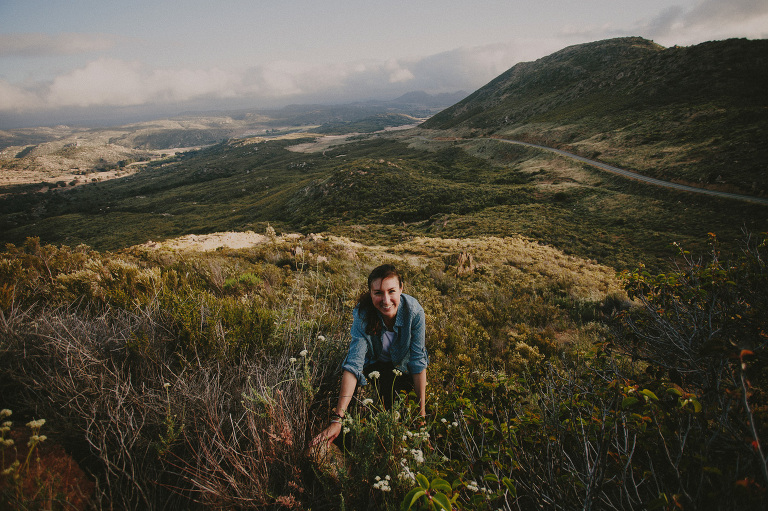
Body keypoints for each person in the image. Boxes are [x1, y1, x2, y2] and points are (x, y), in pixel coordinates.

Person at [312, 264, 428, 446]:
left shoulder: (414, 312)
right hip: (373, 365)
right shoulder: (363, 313)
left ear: (401, 289)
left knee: (398, 417)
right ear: (371, 293)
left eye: (391, 291)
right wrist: (337, 419)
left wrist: (421, 420)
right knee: (354, 416)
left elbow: (418, 362)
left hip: (401, 368)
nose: (386, 300)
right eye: (378, 293)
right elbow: (354, 364)